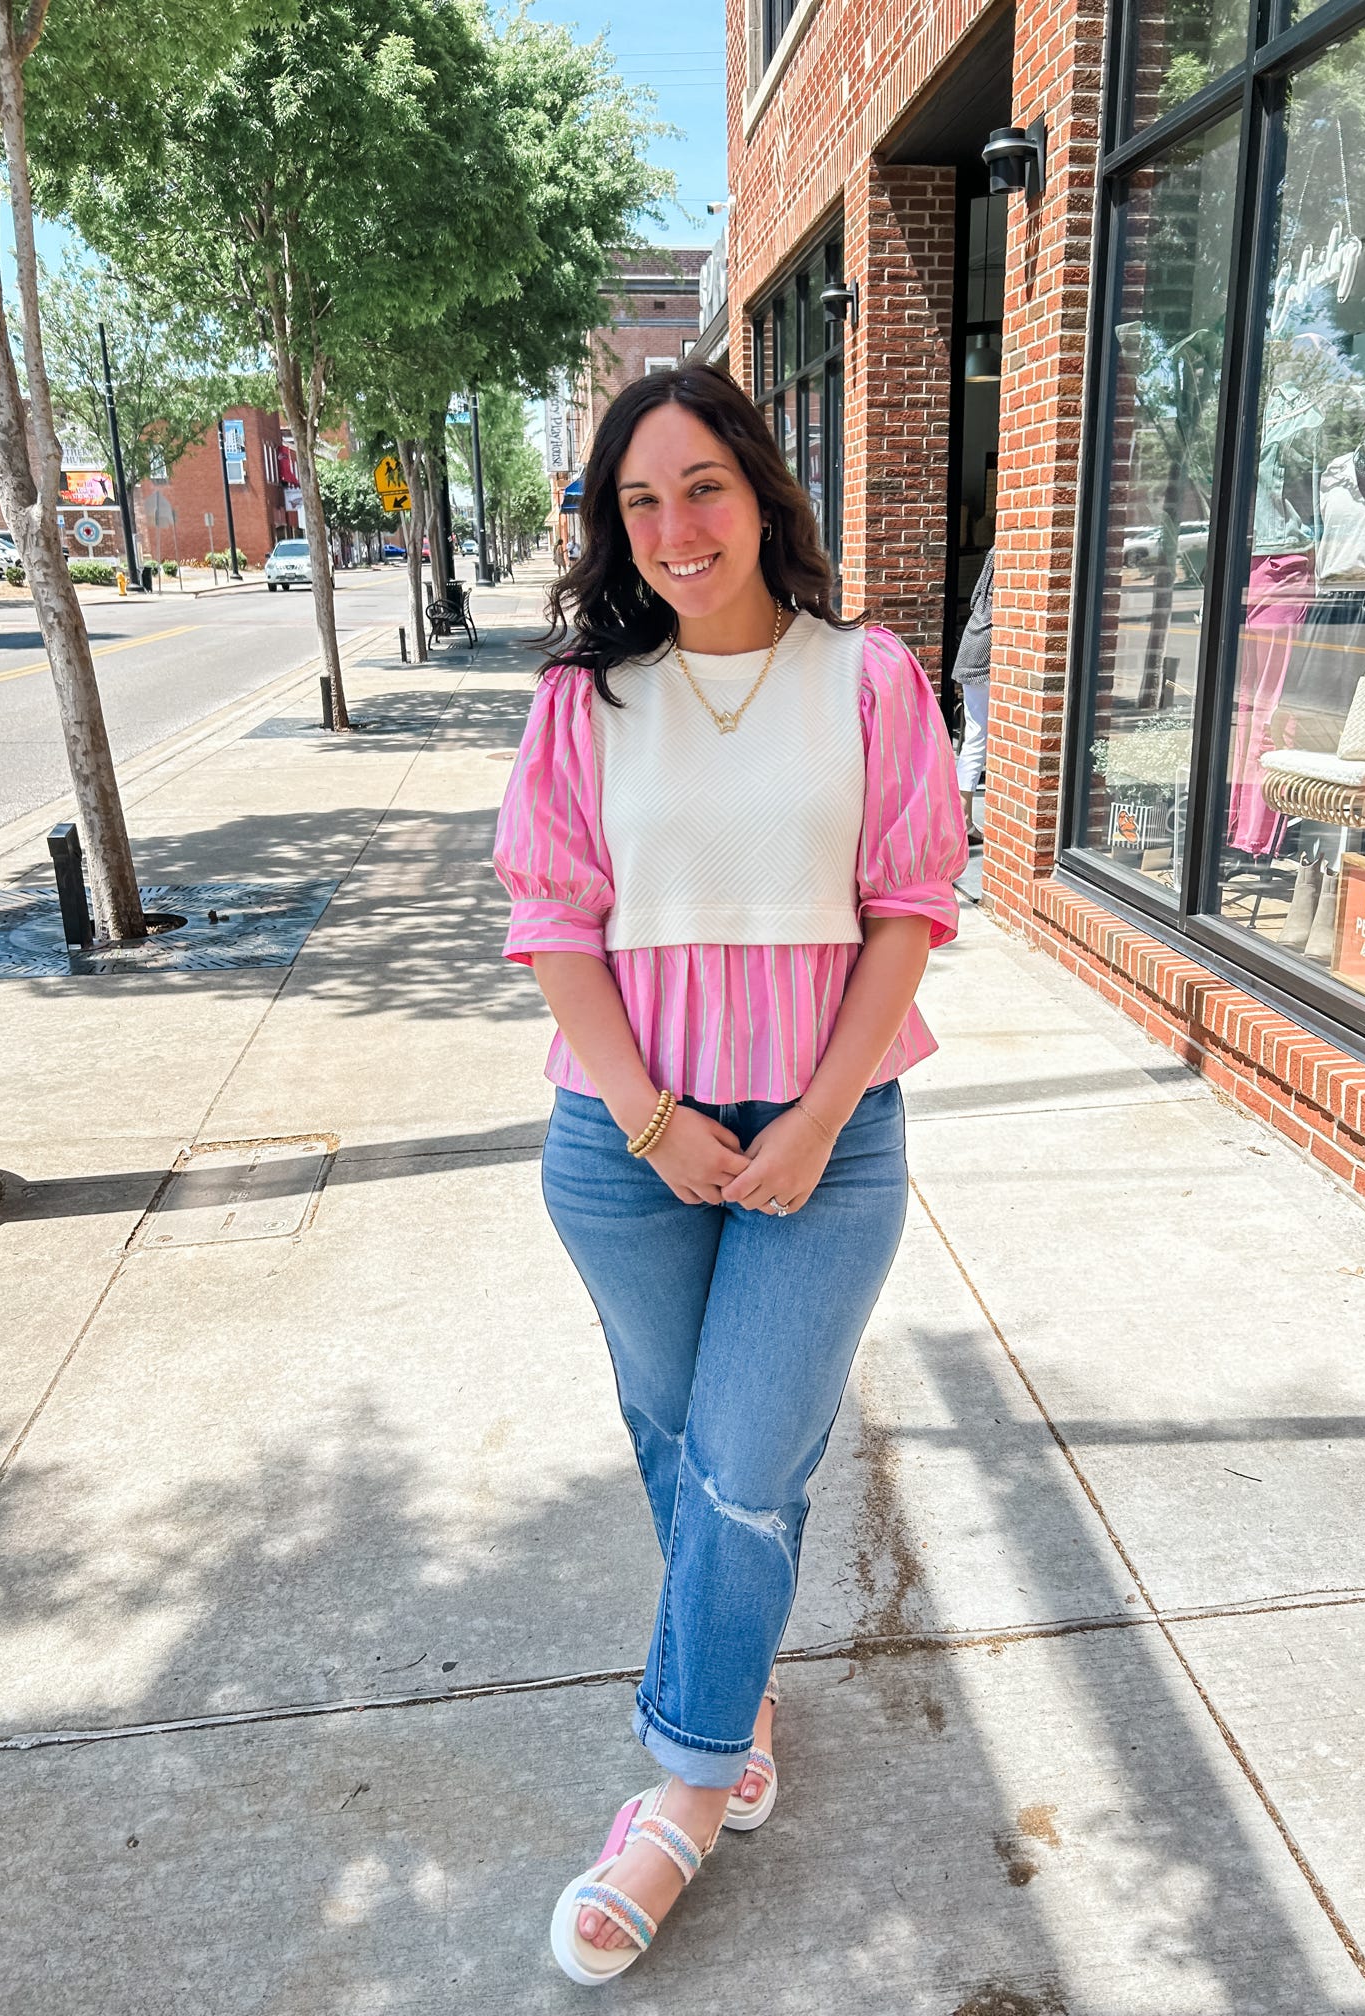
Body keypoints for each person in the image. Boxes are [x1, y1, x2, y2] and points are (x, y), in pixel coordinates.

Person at [493, 365, 967, 1986]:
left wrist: (818, 1116)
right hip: (624, 1145)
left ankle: (683, 1790)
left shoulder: (867, 677)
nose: (674, 525)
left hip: (821, 1142)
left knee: (749, 1461)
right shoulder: (585, 700)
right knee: (682, 1444)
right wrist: (649, 1119)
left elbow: (908, 903)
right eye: (639, 499)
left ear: (759, 489)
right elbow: (552, 924)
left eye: (700, 485)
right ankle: (740, 1685)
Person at [953, 543, 994, 844]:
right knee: (980, 735)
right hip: (986, 651)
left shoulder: (992, 558)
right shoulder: (1007, 555)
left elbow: (974, 601)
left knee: (975, 736)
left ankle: (962, 820)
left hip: (971, 645)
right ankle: (963, 820)